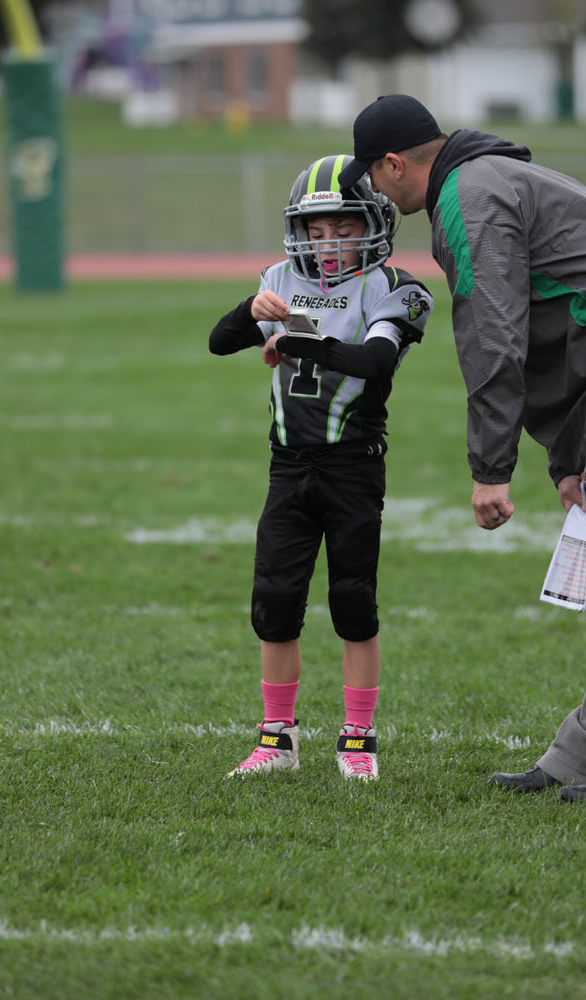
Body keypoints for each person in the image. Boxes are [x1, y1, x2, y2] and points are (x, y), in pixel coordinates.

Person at [339, 95, 586, 803]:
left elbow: (496, 334)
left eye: (371, 179)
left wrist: (492, 468)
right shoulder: (487, 178)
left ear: (395, 164)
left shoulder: (468, 196)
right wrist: (569, 456)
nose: (372, 194)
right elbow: (558, 313)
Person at [208, 153, 434, 782]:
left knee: (353, 603)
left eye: (342, 227)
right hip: (288, 468)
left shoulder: (394, 288)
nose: (328, 242)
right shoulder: (281, 277)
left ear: (374, 223)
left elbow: (375, 363)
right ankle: (276, 739)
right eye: (316, 229)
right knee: (275, 602)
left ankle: (357, 739)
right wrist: (250, 313)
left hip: (353, 467)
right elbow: (220, 341)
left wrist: (302, 340)